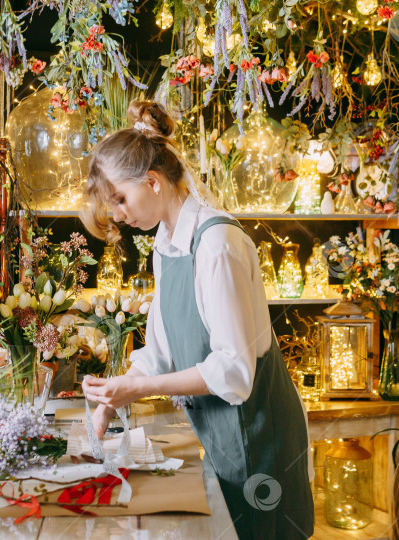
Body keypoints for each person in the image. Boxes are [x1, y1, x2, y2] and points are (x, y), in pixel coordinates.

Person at [80, 101, 314, 540]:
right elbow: (160, 352)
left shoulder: (217, 244)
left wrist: (138, 389)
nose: (117, 215)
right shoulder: (166, 245)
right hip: (222, 436)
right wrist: (110, 400)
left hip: (262, 439)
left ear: (152, 182)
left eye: (120, 199)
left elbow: (234, 372)